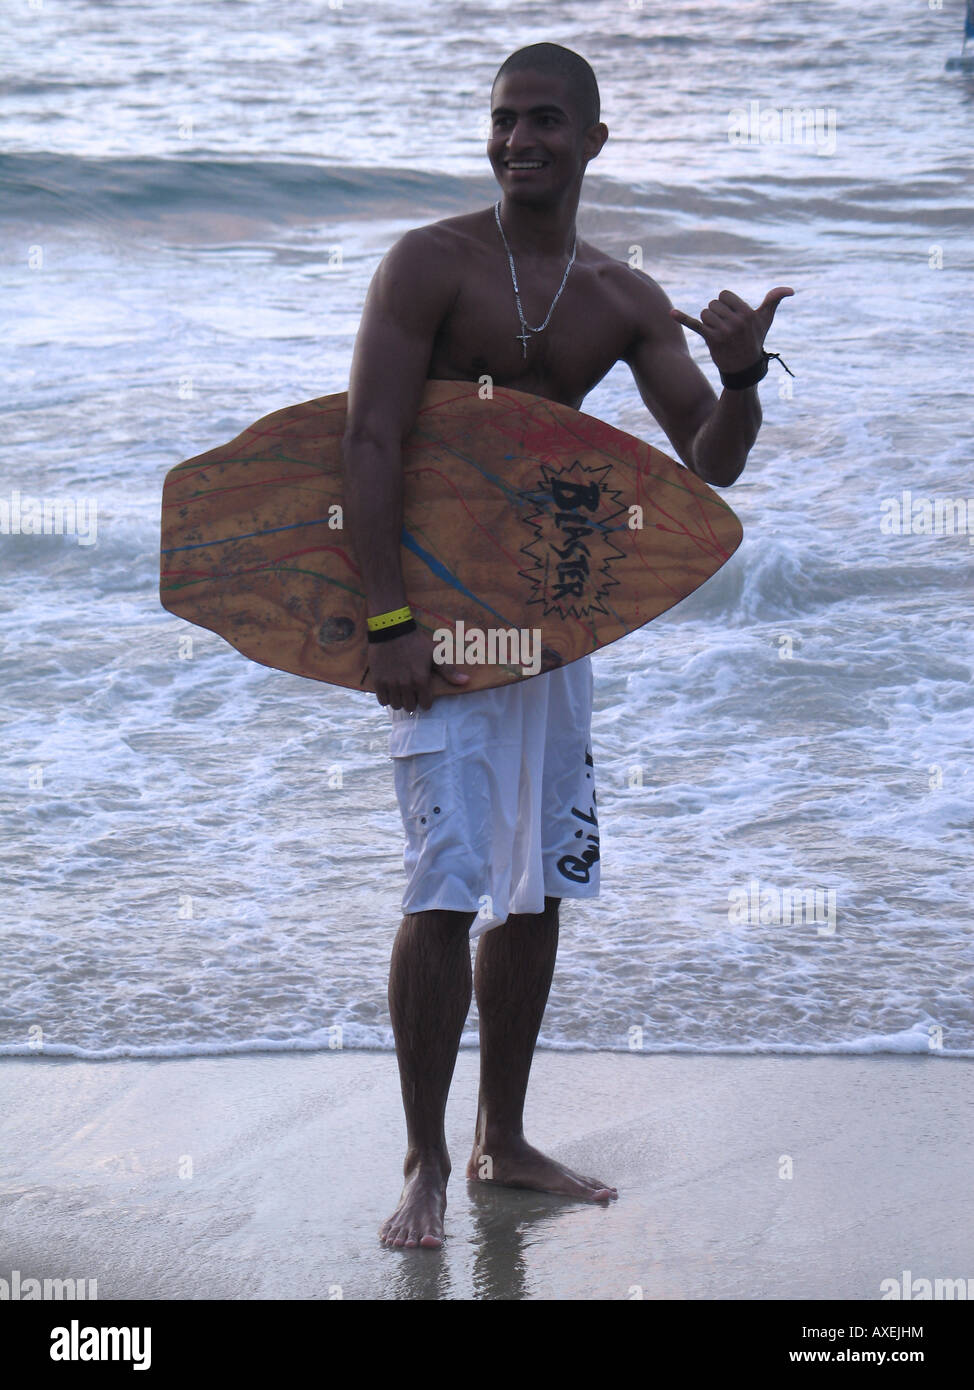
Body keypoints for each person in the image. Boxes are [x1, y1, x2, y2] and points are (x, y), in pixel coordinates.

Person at [342, 42, 792, 1249]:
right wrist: (384, 619)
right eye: (501, 120)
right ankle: (424, 1158)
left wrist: (742, 379)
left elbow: (708, 455)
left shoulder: (617, 297)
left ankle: (503, 1133)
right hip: (433, 626)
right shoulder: (428, 265)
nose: (517, 140)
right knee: (443, 882)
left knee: (535, 886)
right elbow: (369, 442)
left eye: (544, 120)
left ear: (594, 140)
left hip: (550, 620)